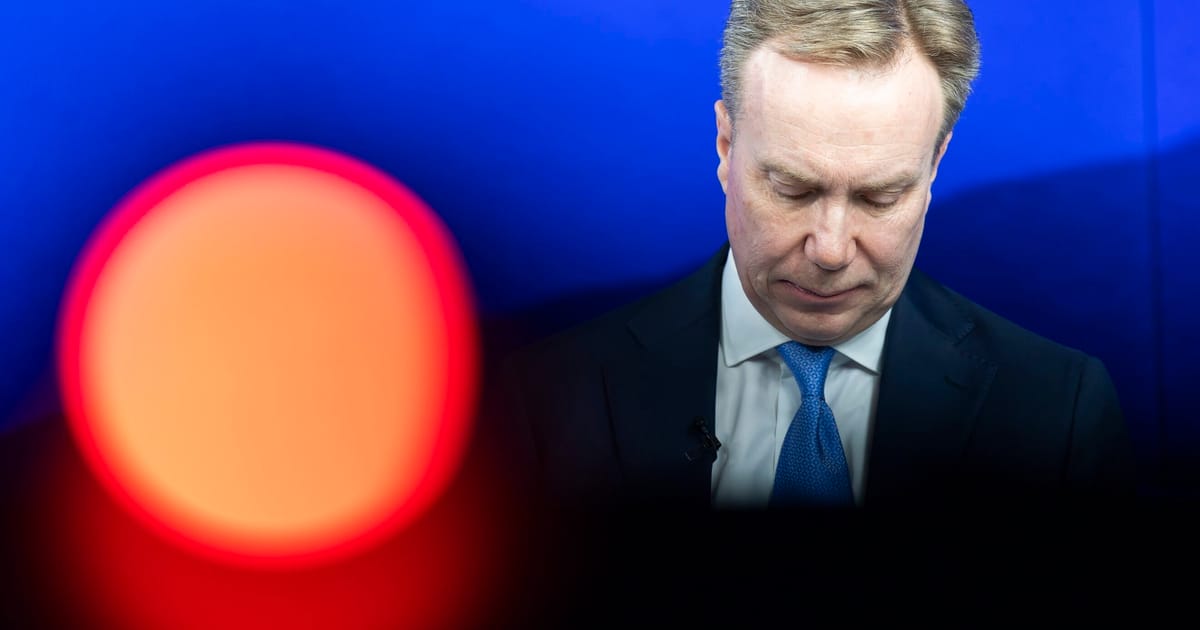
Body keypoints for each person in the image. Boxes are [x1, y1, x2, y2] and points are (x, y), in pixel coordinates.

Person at [502, 0, 1135, 511]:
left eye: (880, 197)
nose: (830, 250)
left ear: (935, 164)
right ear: (725, 146)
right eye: (792, 189)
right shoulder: (543, 404)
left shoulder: (1059, 414)